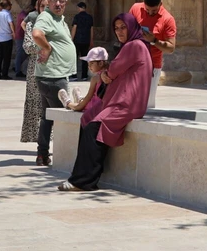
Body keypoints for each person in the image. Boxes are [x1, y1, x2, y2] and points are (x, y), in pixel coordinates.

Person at [58, 13, 153, 191]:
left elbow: (113, 69)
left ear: (132, 28)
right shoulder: (135, 45)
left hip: (127, 103)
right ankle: (82, 171)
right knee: (87, 119)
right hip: (119, 100)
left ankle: (84, 181)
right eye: (116, 28)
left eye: (123, 27)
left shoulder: (134, 46)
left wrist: (105, 74)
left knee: (94, 128)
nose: (119, 31)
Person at [31, 0, 76, 167]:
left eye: (62, 1)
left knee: (47, 117)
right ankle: (65, 157)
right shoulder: (46, 17)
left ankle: (42, 155)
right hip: (53, 76)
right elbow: (36, 34)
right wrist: (47, 48)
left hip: (52, 74)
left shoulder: (59, 19)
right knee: (62, 117)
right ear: (48, 1)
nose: (58, 4)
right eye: (55, 0)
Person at [130, 0, 177, 109]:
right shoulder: (135, 8)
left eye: (154, 11)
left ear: (160, 5)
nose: (150, 13)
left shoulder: (167, 19)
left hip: (152, 66)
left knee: (146, 105)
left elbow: (171, 47)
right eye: (147, 10)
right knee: (129, 101)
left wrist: (154, 40)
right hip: (132, 63)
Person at [19, 0, 49, 144]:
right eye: (41, 6)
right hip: (36, 68)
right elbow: (28, 46)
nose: (44, 9)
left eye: (47, 6)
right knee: (35, 101)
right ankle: (37, 139)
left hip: (53, 68)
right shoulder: (32, 22)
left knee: (52, 103)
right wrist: (47, 46)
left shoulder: (57, 23)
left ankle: (50, 139)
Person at [71, 2, 94, 80]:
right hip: (86, 40)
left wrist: (71, 39)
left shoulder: (77, 17)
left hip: (77, 40)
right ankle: (84, 75)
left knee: (74, 58)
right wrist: (91, 40)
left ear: (79, 8)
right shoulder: (90, 17)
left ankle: (74, 76)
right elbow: (91, 29)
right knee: (85, 58)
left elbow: (74, 28)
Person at [13, 0, 33, 78]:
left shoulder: (23, 14)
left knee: (24, 54)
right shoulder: (23, 15)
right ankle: (17, 70)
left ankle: (18, 67)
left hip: (22, 36)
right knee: (20, 54)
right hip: (20, 36)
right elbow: (25, 22)